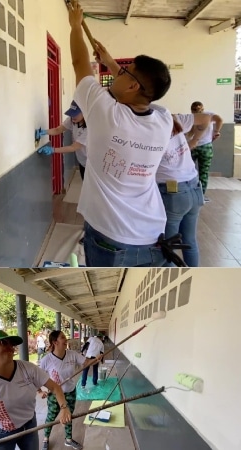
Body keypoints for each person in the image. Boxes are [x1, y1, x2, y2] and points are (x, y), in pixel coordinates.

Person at [67, 2, 174, 267]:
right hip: (151, 237)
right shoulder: (163, 120)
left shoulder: (106, 113)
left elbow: (80, 62)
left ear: (132, 84)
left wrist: (75, 26)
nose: (119, 73)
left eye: (125, 72)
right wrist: (113, 64)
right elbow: (141, 93)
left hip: (110, 239)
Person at [0, 330, 72, 450]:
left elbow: (55, 387)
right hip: (1, 434)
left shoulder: (27, 368)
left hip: (30, 426)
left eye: (11, 343)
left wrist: (64, 408)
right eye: (3, 342)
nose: (10, 347)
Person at [157, 112, 213, 266]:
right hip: (194, 186)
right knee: (189, 241)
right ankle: (195, 277)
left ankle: (174, 283)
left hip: (174, 193)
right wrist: (194, 140)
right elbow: (206, 118)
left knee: (168, 247)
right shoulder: (170, 116)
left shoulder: (146, 126)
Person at [39, 330, 103, 450]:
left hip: (70, 392)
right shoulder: (46, 360)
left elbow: (86, 363)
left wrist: (96, 359)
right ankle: (46, 438)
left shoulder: (72, 354)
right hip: (54, 395)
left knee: (69, 416)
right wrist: (40, 391)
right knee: (51, 417)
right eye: (62, 337)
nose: (66, 340)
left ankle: (68, 439)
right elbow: (36, 377)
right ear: (55, 342)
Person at [37, 101, 89, 180]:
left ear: (84, 113)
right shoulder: (72, 120)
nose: (72, 116)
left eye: (75, 114)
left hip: (91, 163)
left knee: (91, 189)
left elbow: (73, 147)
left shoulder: (88, 129)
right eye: (71, 113)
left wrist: (53, 150)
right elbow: (58, 130)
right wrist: (44, 132)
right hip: (82, 161)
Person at [189, 102, 223, 201]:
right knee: (204, 173)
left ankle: (189, 195)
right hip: (206, 147)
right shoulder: (209, 115)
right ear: (203, 108)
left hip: (192, 147)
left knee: (188, 171)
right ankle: (201, 196)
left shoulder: (191, 117)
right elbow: (220, 120)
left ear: (191, 109)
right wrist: (216, 131)